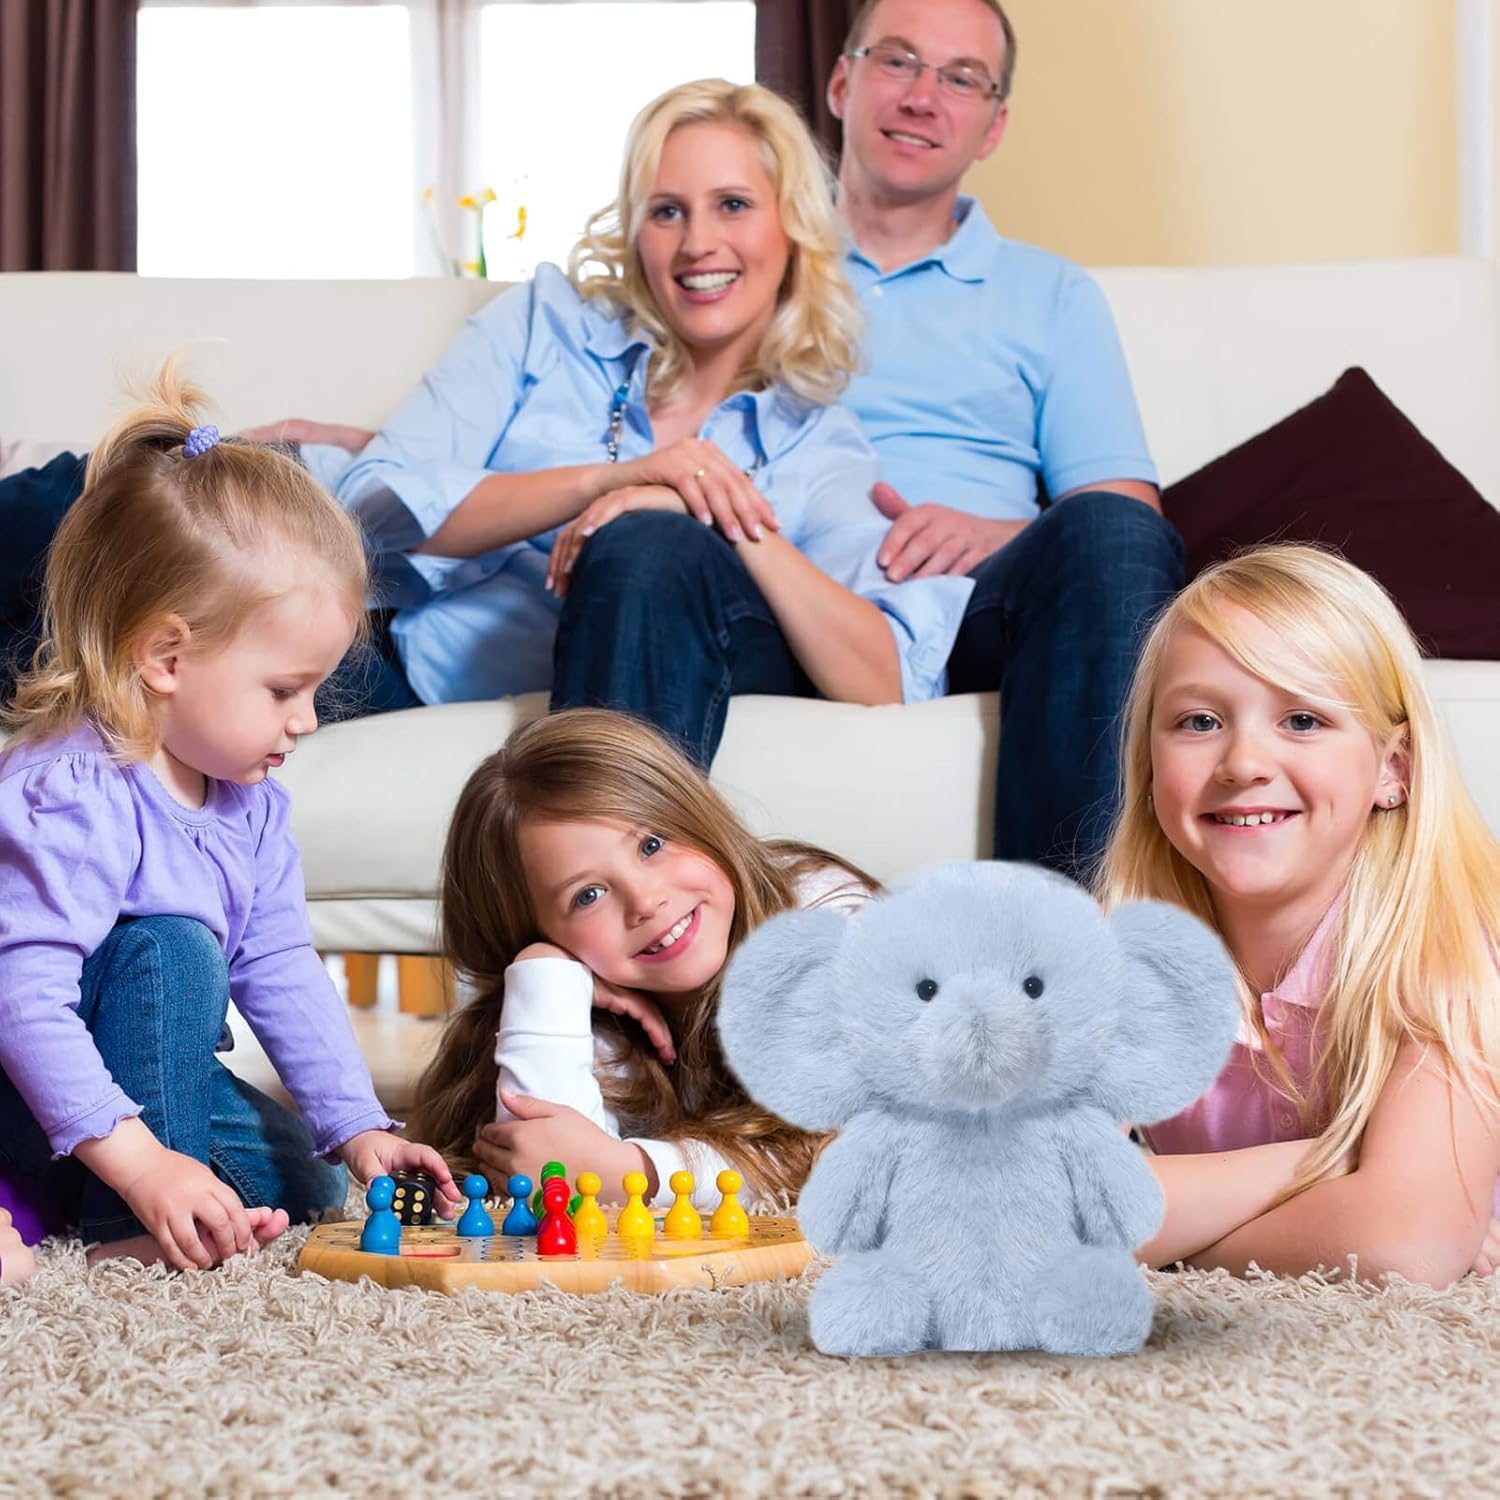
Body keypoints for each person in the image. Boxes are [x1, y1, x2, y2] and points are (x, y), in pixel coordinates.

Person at [0, 80, 969, 751]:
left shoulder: (815, 444)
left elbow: (882, 674)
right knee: (76, 496)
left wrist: (707, 503)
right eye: (667, 210)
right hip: (303, 548)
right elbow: (377, 499)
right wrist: (609, 478)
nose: (697, 243)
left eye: (732, 206)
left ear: (792, 227)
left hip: (380, 663)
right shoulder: (547, 322)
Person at [0, 368, 459, 1272]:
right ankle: (120, 1227)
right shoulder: (74, 791)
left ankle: (145, 1192)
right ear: (166, 658)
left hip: (143, 1081)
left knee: (310, 1184)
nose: (308, 720)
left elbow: (280, 964)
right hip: (28, 1081)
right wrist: (143, 1169)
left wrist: (359, 1128)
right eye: (284, 690)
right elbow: (22, 1001)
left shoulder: (249, 804)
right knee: (171, 945)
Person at [1095, 545, 1500, 1287]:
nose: (1244, 763)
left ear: (1394, 768)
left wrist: (1170, 1243)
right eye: (1199, 721)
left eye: (1303, 719)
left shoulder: (1447, 945)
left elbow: (1405, 1245)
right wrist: (1334, 1160)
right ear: (1149, 767)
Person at [407, 709, 874, 1210]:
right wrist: (547, 973)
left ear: (697, 816)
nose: (646, 901)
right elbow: (550, 1174)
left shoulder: (825, 924)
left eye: (651, 845)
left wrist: (639, 1173)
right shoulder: (592, 1003)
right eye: (587, 896)